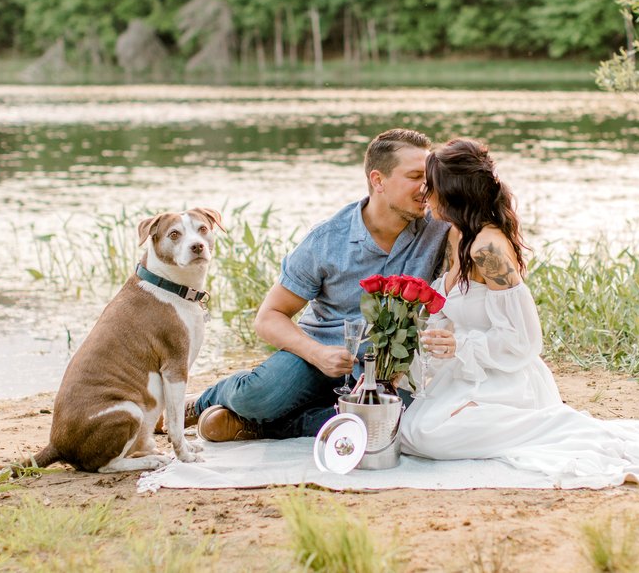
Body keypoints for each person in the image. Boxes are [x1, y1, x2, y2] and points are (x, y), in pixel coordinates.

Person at [400, 138, 639, 488]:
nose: (426, 193)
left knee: (427, 436)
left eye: (431, 185)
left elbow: (522, 341)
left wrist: (459, 345)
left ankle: (557, 426)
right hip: (468, 377)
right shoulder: (457, 236)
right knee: (411, 431)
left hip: (507, 380)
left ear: (453, 192)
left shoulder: (488, 249)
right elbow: (454, 310)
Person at [188, 129, 450, 441]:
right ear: (378, 181)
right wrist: (317, 354)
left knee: (396, 419)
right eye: (415, 176)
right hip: (314, 356)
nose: (427, 187)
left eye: (430, 176)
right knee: (256, 397)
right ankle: (202, 402)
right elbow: (269, 316)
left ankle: (263, 427)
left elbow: (484, 207)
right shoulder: (327, 240)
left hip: (384, 370)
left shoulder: (440, 227)